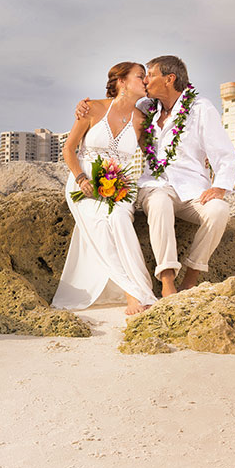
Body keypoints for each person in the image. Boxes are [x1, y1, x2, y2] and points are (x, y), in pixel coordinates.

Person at [76, 55, 235, 297]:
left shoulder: (201, 109)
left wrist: (221, 186)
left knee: (219, 211)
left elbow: (223, 153)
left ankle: (191, 277)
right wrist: (83, 105)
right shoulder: (145, 108)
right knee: (160, 202)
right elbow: (115, 107)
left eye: (150, 75)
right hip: (154, 185)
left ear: (169, 79)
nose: (146, 81)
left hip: (192, 189)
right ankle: (167, 279)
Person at [52, 62, 158, 316]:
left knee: (120, 219)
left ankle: (136, 292)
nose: (144, 81)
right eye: (139, 76)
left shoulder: (142, 120)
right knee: (100, 222)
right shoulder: (92, 108)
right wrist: (80, 179)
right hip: (84, 182)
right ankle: (134, 293)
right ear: (121, 81)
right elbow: (69, 149)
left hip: (118, 184)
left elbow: (153, 158)